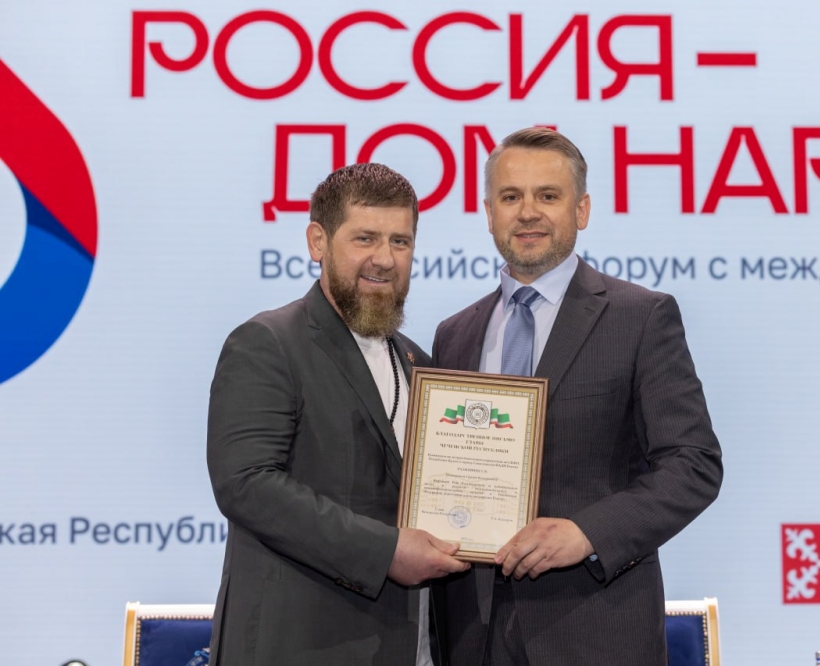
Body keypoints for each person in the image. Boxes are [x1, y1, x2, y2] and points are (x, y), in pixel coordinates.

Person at [431, 128, 723, 665]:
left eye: (548, 195)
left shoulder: (640, 317)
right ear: (489, 213)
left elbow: (693, 464)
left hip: (594, 629)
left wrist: (588, 533)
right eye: (511, 197)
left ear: (581, 210)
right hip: (473, 635)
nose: (528, 212)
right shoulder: (454, 334)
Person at [206, 163, 469, 665]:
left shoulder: (419, 363)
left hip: (407, 647)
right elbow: (246, 484)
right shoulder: (268, 343)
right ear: (318, 242)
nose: (384, 259)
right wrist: (386, 552)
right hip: (299, 647)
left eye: (400, 241)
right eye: (365, 238)